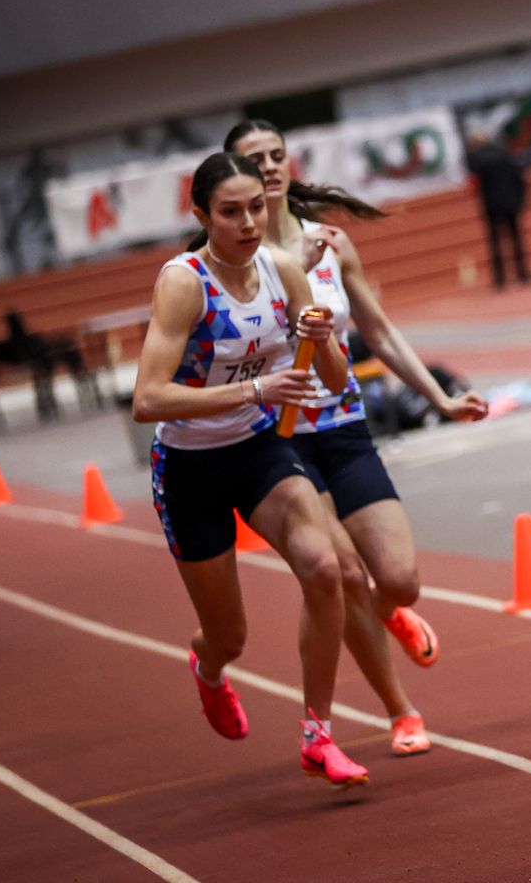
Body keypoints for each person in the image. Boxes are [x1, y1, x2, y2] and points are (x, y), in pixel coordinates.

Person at [228, 119, 489, 757]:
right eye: (251, 160)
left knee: (397, 579)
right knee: (340, 574)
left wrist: (441, 398)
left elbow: (380, 330)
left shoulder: (334, 245)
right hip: (281, 442)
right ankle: (401, 712)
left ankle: (391, 606)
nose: (267, 167)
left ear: (290, 165)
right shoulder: (234, 263)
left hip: (343, 429)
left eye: (275, 155)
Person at [132, 152, 369, 789]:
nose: (248, 223)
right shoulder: (184, 283)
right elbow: (147, 400)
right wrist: (255, 390)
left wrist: (316, 336)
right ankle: (209, 669)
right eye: (231, 212)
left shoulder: (282, 269)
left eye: (255, 208)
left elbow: (337, 381)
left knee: (324, 569)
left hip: (259, 451)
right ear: (203, 215)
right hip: (189, 468)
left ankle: (318, 734)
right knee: (228, 635)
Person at [463, 128, 531, 288]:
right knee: (516, 239)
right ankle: (523, 274)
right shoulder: (505, 155)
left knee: (495, 243)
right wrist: (520, 200)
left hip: (492, 206)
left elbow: (474, 186)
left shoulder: (477, 161)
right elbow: (519, 178)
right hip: (510, 203)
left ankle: (499, 279)